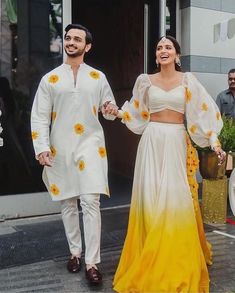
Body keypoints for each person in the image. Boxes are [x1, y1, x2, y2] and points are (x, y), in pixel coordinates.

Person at [107, 36, 226, 292]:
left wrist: (214, 142)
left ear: (177, 55)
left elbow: (203, 112)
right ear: (156, 55)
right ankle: (149, 253)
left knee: (175, 200)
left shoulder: (188, 81)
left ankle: (174, 260)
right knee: (150, 200)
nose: (163, 50)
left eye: (168, 47)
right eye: (159, 47)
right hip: (151, 143)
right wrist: (116, 112)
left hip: (175, 143)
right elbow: (137, 114)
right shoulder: (144, 81)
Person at [31, 24, 117, 285]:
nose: (70, 42)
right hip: (61, 146)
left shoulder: (98, 77)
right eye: (68, 38)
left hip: (91, 144)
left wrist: (111, 108)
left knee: (91, 201)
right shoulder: (50, 79)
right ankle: (75, 253)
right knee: (68, 202)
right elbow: (39, 116)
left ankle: (92, 262)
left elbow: (107, 107)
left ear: (87, 46)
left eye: (77, 39)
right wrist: (42, 147)